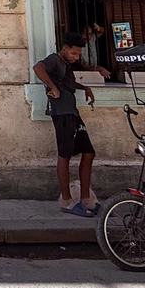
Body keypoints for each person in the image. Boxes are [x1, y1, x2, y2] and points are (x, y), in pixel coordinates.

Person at [33, 31, 102, 217]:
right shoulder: (54, 60)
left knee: (88, 152)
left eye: (78, 55)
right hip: (61, 114)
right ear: (64, 49)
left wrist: (85, 88)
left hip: (72, 113)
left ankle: (86, 199)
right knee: (64, 156)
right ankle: (66, 200)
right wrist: (53, 88)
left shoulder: (66, 65)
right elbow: (38, 68)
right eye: (73, 53)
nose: (75, 57)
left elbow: (69, 84)